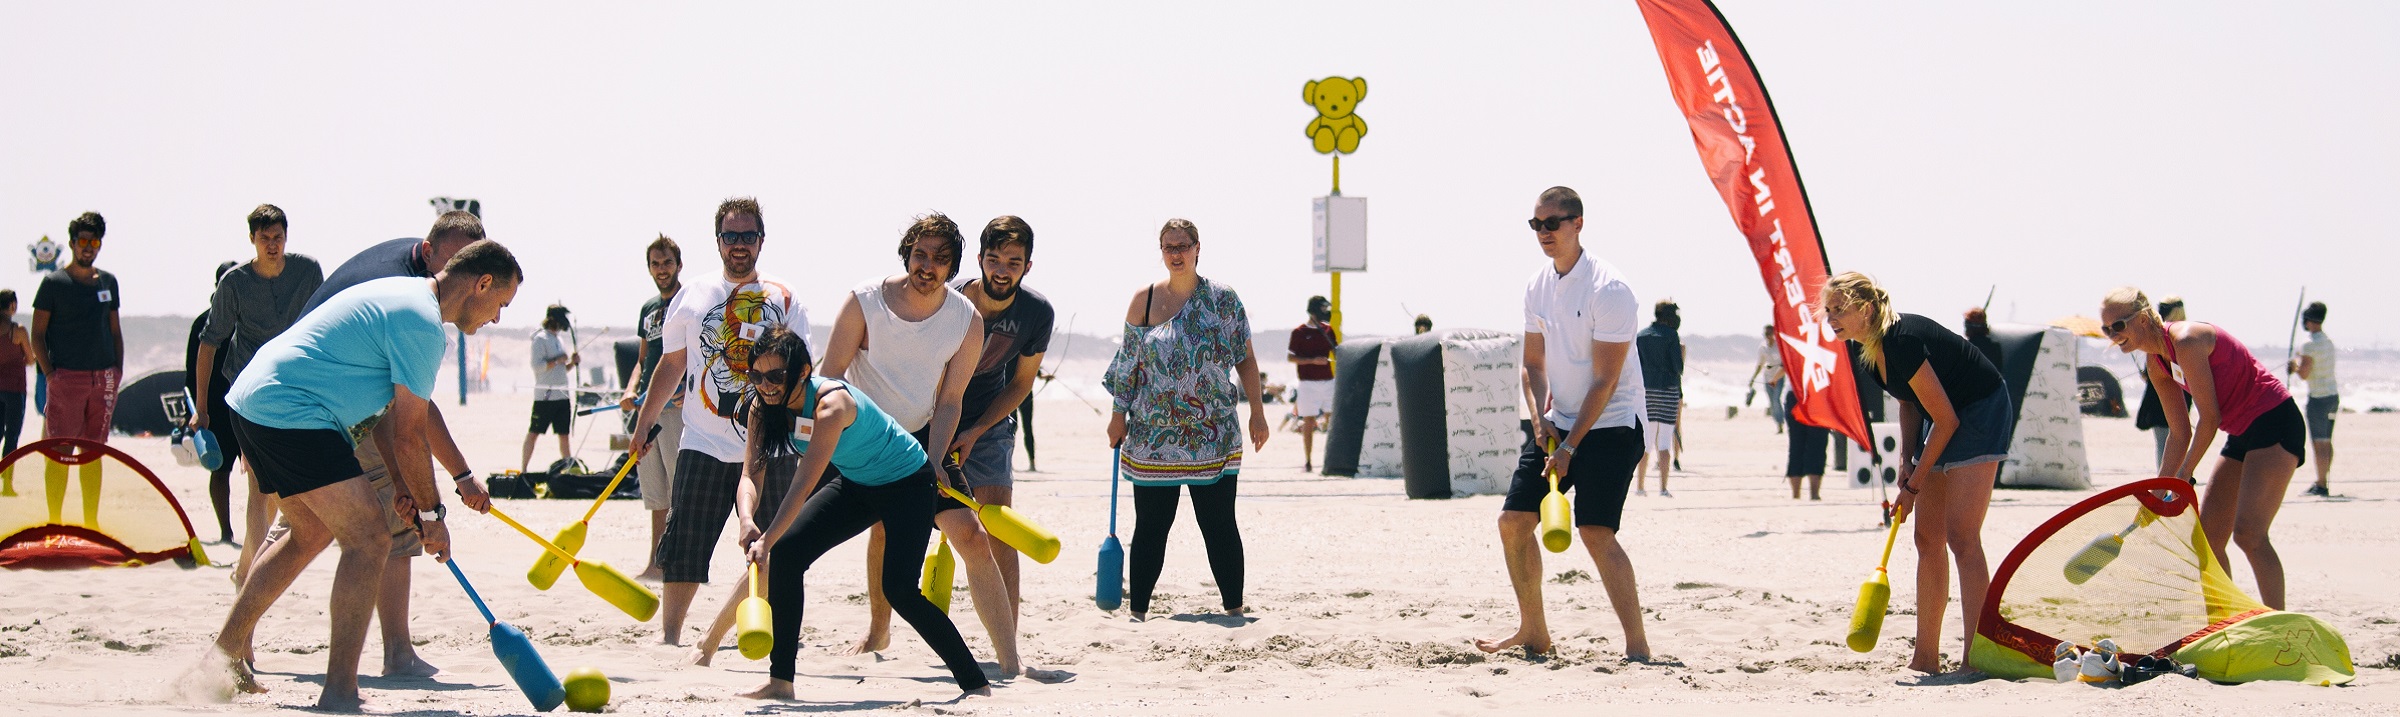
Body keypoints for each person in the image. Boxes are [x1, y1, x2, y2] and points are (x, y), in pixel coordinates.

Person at [203, 240, 520, 711]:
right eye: (502, 305)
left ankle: (220, 659)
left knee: (308, 534)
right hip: (291, 411)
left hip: (255, 401)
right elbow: (412, 435)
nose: (496, 318)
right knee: (370, 539)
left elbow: (391, 415)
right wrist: (432, 516)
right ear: (483, 283)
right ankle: (339, 691)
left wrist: (400, 487)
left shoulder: (405, 297)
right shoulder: (422, 323)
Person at [254, 210, 494, 678]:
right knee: (348, 529)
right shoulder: (408, 298)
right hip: (314, 403)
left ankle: (394, 652)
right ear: (429, 251)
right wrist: (445, 490)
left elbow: (406, 406)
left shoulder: (418, 281)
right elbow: (407, 422)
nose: (462, 275)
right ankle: (377, 663)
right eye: (455, 262)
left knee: (340, 524)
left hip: (315, 401)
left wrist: (442, 482)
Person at [730, 327, 992, 700]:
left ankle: (975, 683)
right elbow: (750, 474)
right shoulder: (761, 407)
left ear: (802, 372)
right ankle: (780, 682)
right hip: (858, 483)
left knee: (899, 589)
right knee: (788, 553)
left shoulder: (831, 405)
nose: (765, 385)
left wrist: (766, 540)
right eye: (756, 376)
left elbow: (803, 485)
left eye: (775, 375)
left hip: (908, 483)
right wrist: (747, 520)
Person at [818, 214, 1028, 677]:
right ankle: (711, 644)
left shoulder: (965, 320)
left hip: (916, 441)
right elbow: (829, 378)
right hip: (856, 437)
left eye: (940, 258)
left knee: (972, 536)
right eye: (920, 255)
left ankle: (1011, 662)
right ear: (907, 255)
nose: (927, 266)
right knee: (788, 533)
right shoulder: (864, 302)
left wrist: (932, 460)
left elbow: (950, 401)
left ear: (953, 267)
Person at [1474, 187, 1650, 660]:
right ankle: (1534, 631)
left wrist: (1571, 446)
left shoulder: (1609, 289)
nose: (1544, 232)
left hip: (1613, 423)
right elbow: (1532, 364)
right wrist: (1540, 424)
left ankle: (1637, 645)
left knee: (1594, 531)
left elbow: (1606, 380)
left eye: (1553, 223)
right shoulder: (1537, 286)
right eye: (1537, 224)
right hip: (1559, 422)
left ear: (1578, 223)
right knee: (1513, 522)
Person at [629, 197, 811, 646]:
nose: (739, 244)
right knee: (683, 545)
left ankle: (768, 637)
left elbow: (802, 372)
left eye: (748, 236)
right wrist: (643, 423)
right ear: (718, 241)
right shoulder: (693, 295)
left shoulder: (784, 297)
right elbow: (671, 364)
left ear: (761, 240)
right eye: (731, 236)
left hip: (771, 446)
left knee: (776, 548)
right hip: (704, 443)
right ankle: (670, 637)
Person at [1822, 272, 2010, 676]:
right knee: (1927, 538)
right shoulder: (1865, 349)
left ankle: (1977, 657)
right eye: (1827, 310)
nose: (1830, 317)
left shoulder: (1901, 340)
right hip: (1942, 415)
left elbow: (1947, 420)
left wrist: (1914, 486)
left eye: (1839, 309)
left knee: (1962, 537)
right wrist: (1906, 461)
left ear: (1865, 309)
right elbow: (1908, 402)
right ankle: (1925, 657)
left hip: (1980, 407)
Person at [1103, 218, 1270, 620]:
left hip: (1212, 433)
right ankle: (1138, 613)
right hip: (1153, 434)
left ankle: (1234, 609)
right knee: (1151, 527)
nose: (1176, 254)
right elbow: (1128, 365)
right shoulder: (1144, 300)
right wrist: (1117, 415)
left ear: (1198, 248)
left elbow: (1246, 359)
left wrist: (1258, 413)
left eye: (1183, 246)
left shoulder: (1223, 299)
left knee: (1218, 524)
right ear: (1161, 251)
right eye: (1169, 247)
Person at [2100, 287, 2304, 609]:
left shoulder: (2187, 341)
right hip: (2240, 431)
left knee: (2248, 535)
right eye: (2106, 329)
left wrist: (2184, 474)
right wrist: (2157, 492)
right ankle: (2229, 617)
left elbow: (2210, 417)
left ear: (2142, 320)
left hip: (2274, 419)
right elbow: (2179, 433)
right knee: (2209, 539)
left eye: (2118, 326)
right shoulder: (2156, 364)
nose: (2113, 336)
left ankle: (2280, 620)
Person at [945, 216, 1054, 663]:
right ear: (979, 259)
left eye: (1013, 261)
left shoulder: (1036, 313)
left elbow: (1021, 383)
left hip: (987, 423)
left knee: (998, 527)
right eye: (994, 259)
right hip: (929, 416)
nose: (1002, 270)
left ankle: (1007, 647)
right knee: (886, 526)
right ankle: (878, 631)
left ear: (1028, 265)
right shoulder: (948, 301)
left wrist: (976, 430)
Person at [195, 205, 327, 551]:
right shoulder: (234, 282)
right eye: (264, 238)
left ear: (286, 236)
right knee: (258, 483)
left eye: (278, 237)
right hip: (250, 390)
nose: (272, 245)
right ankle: (254, 563)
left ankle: (252, 562)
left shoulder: (308, 271)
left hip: (295, 387)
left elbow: (326, 324)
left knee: (284, 484)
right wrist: (202, 408)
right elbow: (209, 343)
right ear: (252, 239)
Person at [31, 212, 124, 445]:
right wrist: (50, 375)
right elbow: (37, 335)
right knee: (59, 448)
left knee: (94, 449)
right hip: (67, 376)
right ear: (72, 243)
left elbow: (115, 331)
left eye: (94, 242)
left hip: (104, 378)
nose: (88, 248)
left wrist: (117, 371)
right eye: (83, 241)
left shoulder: (108, 282)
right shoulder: (54, 283)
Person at [623, 235, 685, 581]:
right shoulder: (648, 309)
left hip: (676, 410)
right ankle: (655, 563)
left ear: (678, 265)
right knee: (655, 492)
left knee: (678, 490)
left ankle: (678, 563)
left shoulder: (688, 302)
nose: (662, 270)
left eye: (667, 263)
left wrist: (688, 389)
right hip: (646, 411)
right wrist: (631, 389)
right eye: (655, 264)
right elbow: (642, 360)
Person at [186, 262, 243, 543]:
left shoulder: (251, 318)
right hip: (215, 409)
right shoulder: (203, 322)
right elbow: (191, 371)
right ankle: (226, 532)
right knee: (220, 470)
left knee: (261, 474)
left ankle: (260, 534)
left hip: (246, 404)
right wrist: (198, 410)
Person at [520, 305, 579, 474]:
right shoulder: (540, 339)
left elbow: (561, 370)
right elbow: (537, 366)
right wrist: (558, 360)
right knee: (534, 432)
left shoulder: (558, 339)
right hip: (545, 396)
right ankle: (524, 469)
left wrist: (572, 363)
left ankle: (568, 469)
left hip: (562, 395)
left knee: (564, 435)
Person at [1633, 299, 1683, 497]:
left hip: (1646, 392)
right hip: (1668, 391)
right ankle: (1662, 488)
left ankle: (1640, 486)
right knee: (1664, 442)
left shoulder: (1641, 336)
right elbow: (1678, 367)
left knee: (1646, 441)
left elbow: (1635, 366)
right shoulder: (1672, 336)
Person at [2133, 296, 2189, 463]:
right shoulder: (2185, 335)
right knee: (2176, 441)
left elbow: (2153, 371)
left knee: (2165, 443)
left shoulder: (2159, 335)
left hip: (2160, 396)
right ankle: (2173, 477)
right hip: (2178, 394)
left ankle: (2167, 477)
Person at [2290, 302, 2336, 498]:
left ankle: (2321, 483)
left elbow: (2304, 374)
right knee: (2326, 441)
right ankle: (2323, 480)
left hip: (2318, 398)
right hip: (2333, 396)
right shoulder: (2328, 341)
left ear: (2308, 320)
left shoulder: (2308, 344)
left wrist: (2293, 366)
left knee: (2319, 442)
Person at [1288, 296, 1337, 473]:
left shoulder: (1328, 330)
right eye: (1323, 308)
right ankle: (1308, 460)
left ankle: (1333, 458)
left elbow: (1337, 352)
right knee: (1309, 420)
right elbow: (1291, 357)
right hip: (1307, 383)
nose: (1326, 312)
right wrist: (1312, 361)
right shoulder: (1299, 332)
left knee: (1333, 418)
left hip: (1328, 381)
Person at [1785, 390, 1827, 500]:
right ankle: (1814, 494)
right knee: (1817, 447)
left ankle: (1796, 494)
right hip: (1818, 394)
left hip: (1796, 394)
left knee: (1796, 446)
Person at [0, 290, 26, 457]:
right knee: (12, 435)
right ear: (12, 305)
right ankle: (6, 472)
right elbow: (30, 358)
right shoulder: (18, 330)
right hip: (15, 389)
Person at [1747, 324, 1786, 433]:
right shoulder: (1763, 348)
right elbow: (1760, 364)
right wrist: (1753, 378)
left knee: (1776, 399)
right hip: (1768, 378)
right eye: (1766, 334)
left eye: (1769, 334)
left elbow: (1784, 363)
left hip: (1779, 377)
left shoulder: (1779, 345)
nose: (1768, 336)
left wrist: (1778, 376)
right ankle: (1778, 423)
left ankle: (1781, 423)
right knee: (1772, 402)